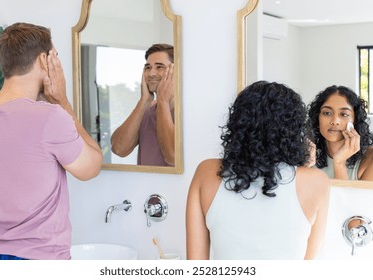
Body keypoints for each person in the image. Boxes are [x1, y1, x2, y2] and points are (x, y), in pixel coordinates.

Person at [0, 22, 102, 260]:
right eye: (55, 56)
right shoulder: (50, 118)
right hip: (39, 259)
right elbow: (92, 166)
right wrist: (62, 102)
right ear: (42, 61)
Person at [186, 81, 330, 260]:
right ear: (294, 129)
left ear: (238, 124)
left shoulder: (206, 172)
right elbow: (309, 264)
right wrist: (303, 165)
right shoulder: (317, 182)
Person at [110, 43, 175, 166]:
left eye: (159, 67)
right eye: (148, 67)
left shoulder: (186, 111)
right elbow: (119, 149)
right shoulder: (146, 110)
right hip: (144, 184)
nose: (151, 74)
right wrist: (144, 100)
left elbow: (173, 157)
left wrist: (162, 101)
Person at [308, 85, 373, 180]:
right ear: (318, 118)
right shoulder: (308, 156)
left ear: (355, 120)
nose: (335, 121)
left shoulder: (370, 159)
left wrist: (339, 163)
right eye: (327, 113)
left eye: (344, 114)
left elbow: (344, 195)